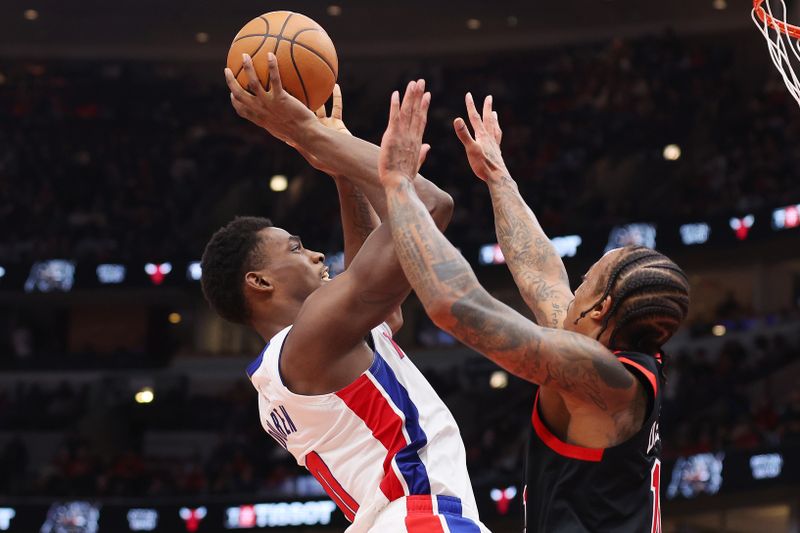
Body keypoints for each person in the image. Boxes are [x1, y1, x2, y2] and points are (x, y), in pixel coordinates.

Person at [378, 90, 690, 532]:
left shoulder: (605, 379)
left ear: (600, 308)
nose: (573, 285)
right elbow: (541, 274)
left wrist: (397, 186)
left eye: (586, 280)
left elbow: (454, 305)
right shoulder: (602, 347)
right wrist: (498, 175)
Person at [202, 52, 489, 532]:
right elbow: (430, 209)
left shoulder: (302, 357)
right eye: (295, 248)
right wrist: (316, 139)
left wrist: (341, 169)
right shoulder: (311, 341)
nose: (316, 255)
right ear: (259, 282)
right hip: (418, 518)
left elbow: (379, 295)